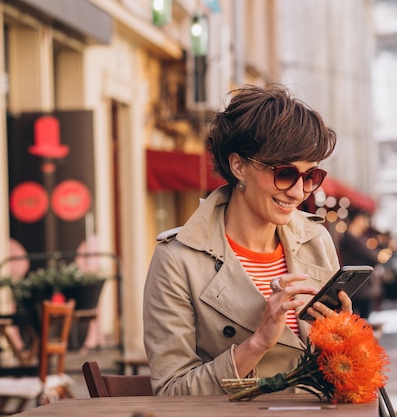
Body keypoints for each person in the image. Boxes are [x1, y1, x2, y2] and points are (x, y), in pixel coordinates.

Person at [143, 84, 352, 396]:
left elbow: (331, 375)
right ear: (238, 165)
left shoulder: (315, 240)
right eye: (284, 173)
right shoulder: (177, 260)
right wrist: (258, 343)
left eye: (311, 177)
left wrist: (342, 339)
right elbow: (172, 392)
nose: (298, 192)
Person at [337, 209, 382, 319]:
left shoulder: (356, 238)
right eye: (364, 220)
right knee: (361, 321)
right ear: (357, 220)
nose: (366, 223)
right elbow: (374, 257)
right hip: (359, 288)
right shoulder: (352, 239)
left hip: (359, 287)